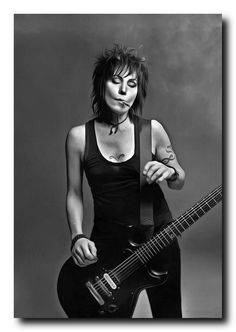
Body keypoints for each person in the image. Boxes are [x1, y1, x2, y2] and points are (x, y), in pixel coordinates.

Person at [65, 45, 185, 318]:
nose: (123, 91)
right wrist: (77, 236)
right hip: (107, 247)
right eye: (116, 81)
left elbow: (179, 178)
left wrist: (170, 172)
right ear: (100, 84)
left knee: (170, 318)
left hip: (159, 238)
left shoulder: (152, 130)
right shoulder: (78, 138)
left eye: (131, 84)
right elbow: (74, 193)